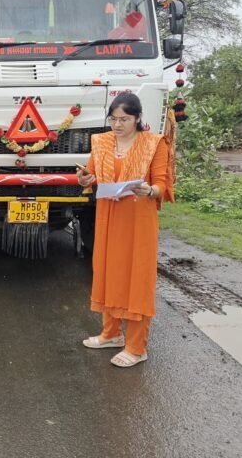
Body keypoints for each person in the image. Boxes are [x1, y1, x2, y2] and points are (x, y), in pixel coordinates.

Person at [77, 93, 174, 368]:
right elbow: (90, 175)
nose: (117, 125)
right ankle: (111, 333)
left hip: (138, 218)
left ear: (138, 118)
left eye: (124, 119)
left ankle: (136, 347)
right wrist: (84, 178)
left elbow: (162, 185)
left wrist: (150, 190)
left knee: (136, 279)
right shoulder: (102, 142)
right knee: (109, 272)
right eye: (114, 119)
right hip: (109, 215)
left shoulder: (154, 143)